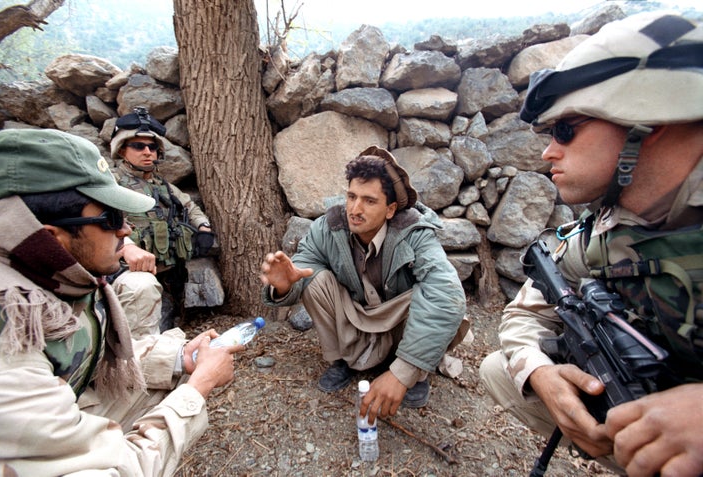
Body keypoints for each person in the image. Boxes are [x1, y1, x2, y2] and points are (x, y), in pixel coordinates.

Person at [479, 12, 703, 477]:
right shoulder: (609, 227)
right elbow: (526, 311)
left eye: (566, 129)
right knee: (502, 370)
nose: (547, 152)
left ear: (647, 116)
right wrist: (540, 375)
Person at [0, 128, 244, 476]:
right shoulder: (1, 357)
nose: (126, 231)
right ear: (51, 238)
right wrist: (199, 388)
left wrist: (178, 358)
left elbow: (83, 358)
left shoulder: (48, 276)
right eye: (111, 219)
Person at [260, 145, 468, 421]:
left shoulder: (415, 233)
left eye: (369, 201)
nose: (355, 209)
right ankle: (342, 361)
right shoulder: (329, 227)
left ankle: (413, 371)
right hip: (357, 317)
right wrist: (285, 285)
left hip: (398, 323)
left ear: (391, 209)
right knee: (314, 279)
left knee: (432, 293)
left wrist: (402, 373)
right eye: (351, 197)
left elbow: (445, 293)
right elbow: (303, 268)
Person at [109, 107, 216, 336]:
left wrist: (203, 227)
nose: (147, 152)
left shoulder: (162, 184)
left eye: (152, 147)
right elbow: (103, 224)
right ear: (122, 149)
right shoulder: (111, 183)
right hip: (131, 273)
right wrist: (127, 246)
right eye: (138, 146)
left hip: (168, 269)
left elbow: (189, 205)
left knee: (169, 320)